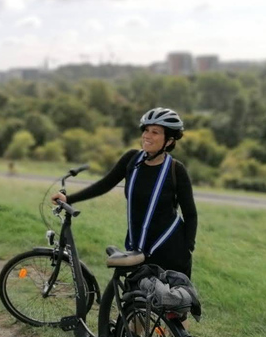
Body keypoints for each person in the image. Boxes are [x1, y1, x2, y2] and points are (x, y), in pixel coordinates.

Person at [51, 107, 197, 278]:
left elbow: (190, 214)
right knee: (132, 299)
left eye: (155, 132)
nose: (147, 136)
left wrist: (187, 248)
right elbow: (105, 184)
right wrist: (69, 198)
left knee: (171, 302)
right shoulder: (132, 159)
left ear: (169, 141)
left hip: (169, 248)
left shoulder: (176, 170)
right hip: (138, 245)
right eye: (146, 130)